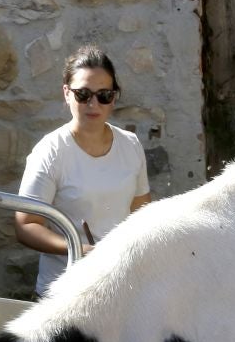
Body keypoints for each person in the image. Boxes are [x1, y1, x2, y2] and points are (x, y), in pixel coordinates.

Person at [16, 45, 150, 298]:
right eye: (83, 94)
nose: (93, 104)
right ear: (67, 93)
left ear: (114, 97)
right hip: (65, 292)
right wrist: (80, 249)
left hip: (120, 285)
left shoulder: (130, 145)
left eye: (104, 95)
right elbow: (26, 225)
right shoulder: (51, 151)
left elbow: (141, 212)